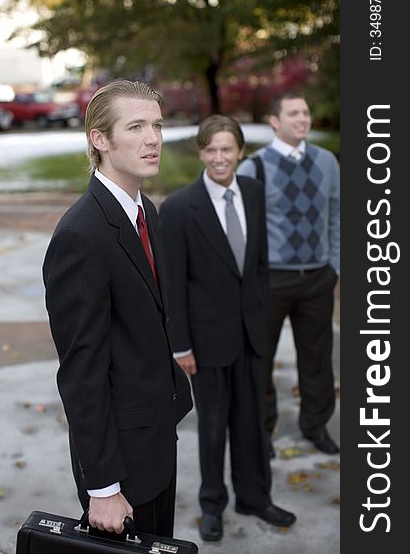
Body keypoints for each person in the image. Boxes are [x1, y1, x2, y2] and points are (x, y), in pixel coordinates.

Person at [42, 80, 193, 537]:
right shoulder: (80, 237)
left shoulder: (147, 210)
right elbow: (81, 374)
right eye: (136, 127)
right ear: (100, 139)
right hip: (121, 465)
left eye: (157, 126)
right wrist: (102, 488)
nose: (153, 139)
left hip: (156, 438)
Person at [159, 115, 296, 542]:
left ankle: (254, 496)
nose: (219, 158)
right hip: (206, 341)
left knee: (253, 422)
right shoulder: (179, 209)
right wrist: (180, 344)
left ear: (240, 152)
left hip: (253, 335)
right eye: (211, 149)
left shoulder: (254, 192)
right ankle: (212, 504)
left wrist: (263, 318)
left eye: (227, 149)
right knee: (214, 426)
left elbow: (259, 266)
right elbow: (174, 285)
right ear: (201, 153)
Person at [237, 91, 340, 456]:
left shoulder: (327, 162)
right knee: (259, 361)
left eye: (306, 112)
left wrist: (334, 265)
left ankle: (315, 425)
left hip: (317, 278)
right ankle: (262, 434)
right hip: (271, 281)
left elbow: (337, 214)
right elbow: (241, 228)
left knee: (317, 359)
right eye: (293, 113)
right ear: (274, 121)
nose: (303, 118)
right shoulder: (255, 167)